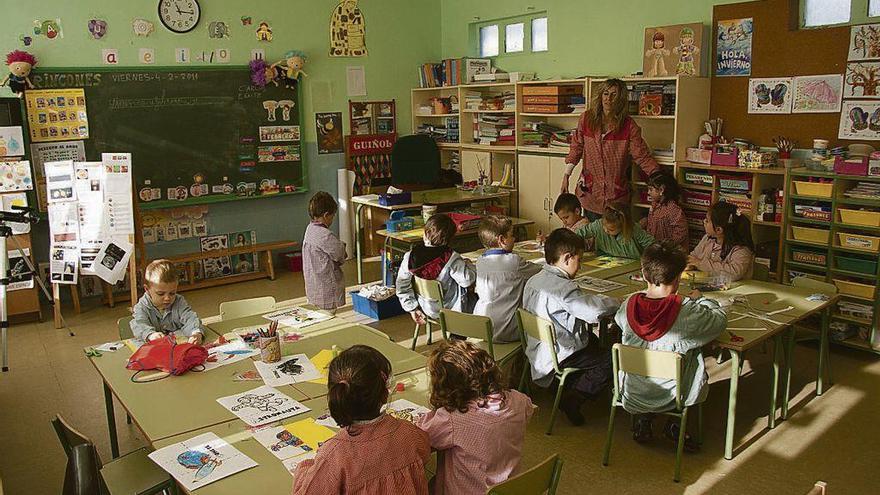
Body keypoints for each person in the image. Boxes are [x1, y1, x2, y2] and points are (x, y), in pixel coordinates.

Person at [614, 242, 727, 451]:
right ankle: (675, 425)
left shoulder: (629, 303)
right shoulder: (685, 311)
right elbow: (719, 322)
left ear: (643, 273)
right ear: (678, 277)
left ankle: (644, 421)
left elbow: (619, 320)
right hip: (672, 395)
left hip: (632, 390)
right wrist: (703, 301)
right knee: (693, 354)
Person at [292, 345, 431, 494]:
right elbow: (425, 453)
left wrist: (304, 468)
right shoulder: (409, 433)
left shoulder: (334, 456)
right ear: (384, 394)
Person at [522, 228, 619, 425]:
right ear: (567, 258)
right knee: (615, 357)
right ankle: (574, 396)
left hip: (539, 350)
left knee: (593, 341)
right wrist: (616, 303)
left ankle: (566, 384)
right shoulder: (564, 288)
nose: (580, 266)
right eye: (579, 260)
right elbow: (593, 313)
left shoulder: (534, 280)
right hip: (562, 354)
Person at [417, 340, 535, 495]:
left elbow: (419, 437)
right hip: (510, 488)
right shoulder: (519, 400)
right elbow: (529, 411)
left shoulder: (452, 419)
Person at [561, 78, 660, 219]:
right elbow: (576, 147)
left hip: (616, 197)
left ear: (620, 99)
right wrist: (566, 176)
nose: (609, 99)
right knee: (593, 237)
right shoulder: (586, 119)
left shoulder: (628, 125)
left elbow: (641, 156)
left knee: (615, 238)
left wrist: (659, 177)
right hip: (590, 194)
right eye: (606, 94)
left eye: (614, 95)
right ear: (601, 96)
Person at [397, 213, 475, 324]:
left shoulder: (410, 256)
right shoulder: (451, 258)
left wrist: (412, 308)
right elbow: (467, 280)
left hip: (424, 308)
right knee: (477, 298)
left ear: (425, 233)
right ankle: (460, 335)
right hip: (450, 311)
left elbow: (402, 285)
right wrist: (468, 265)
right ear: (450, 238)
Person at [473, 215, 541, 342]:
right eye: (511, 235)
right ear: (502, 240)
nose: (514, 238)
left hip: (483, 328)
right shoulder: (514, 261)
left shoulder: (480, 261)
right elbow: (539, 271)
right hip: (508, 328)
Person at [131, 259, 203, 343]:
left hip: (178, 348)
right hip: (156, 351)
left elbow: (190, 318)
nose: (167, 298)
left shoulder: (179, 301)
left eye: (172, 293)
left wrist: (195, 333)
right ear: (147, 289)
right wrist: (150, 335)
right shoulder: (141, 307)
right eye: (161, 294)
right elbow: (139, 325)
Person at [688, 201, 755, 282]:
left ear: (718, 229)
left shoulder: (741, 249)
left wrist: (699, 264)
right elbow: (693, 257)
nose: (704, 222)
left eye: (707, 221)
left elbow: (734, 273)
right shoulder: (707, 239)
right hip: (707, 285)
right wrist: (691, 265)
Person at [303, 191, 347, 311]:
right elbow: (339, 254)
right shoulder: (326, 235)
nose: (332, 220)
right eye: (332, 217)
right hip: (326, 286)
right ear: (326, 215)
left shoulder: (310, 229)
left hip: (313, 284)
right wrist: (343, 246)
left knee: (317, 312)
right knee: (328, 313)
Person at [574, 203, 656, 259]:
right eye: (604, 226)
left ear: (623, 226)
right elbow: (576, 234)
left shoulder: (633, 229)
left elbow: (652, 244)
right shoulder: (598, 225)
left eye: (611, 229)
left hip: (632, 263)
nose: (605, 230)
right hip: (604, 262)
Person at [641, 171, 689, 252]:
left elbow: (681, 231)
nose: (648, 192)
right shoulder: (654, 205)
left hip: (670, 252)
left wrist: (667, 245)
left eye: (651, 189)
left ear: (661, 190)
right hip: (657, 248)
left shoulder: (673, 209)